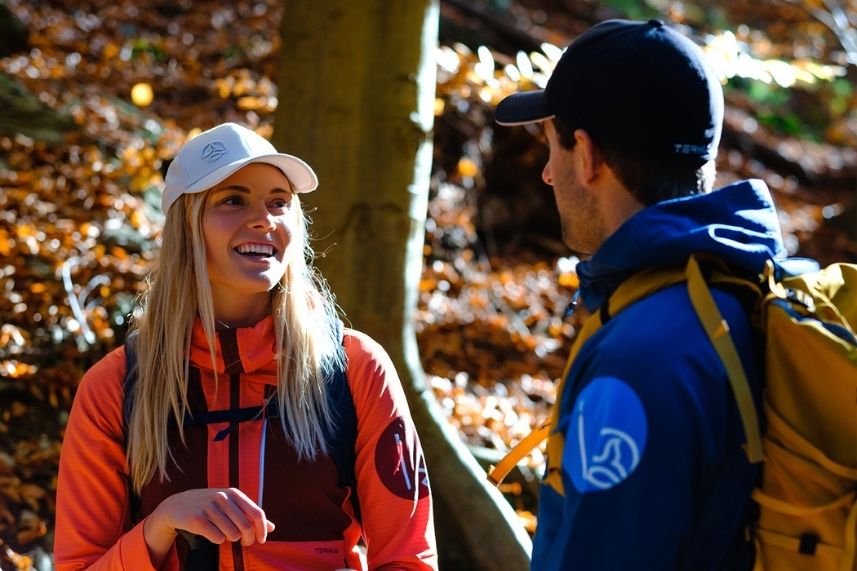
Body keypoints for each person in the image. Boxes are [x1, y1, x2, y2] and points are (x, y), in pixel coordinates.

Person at [54, 122, 438, 570]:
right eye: (233, 200)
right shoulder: (115, 387)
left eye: (279, 202)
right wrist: (159, 527)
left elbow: (409, 560)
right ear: (186, 226)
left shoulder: (355, 369)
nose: (264, 219)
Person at [494, 19, 787, 570]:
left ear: (586, 155)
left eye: (552, 146)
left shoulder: (639, 359)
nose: (546, 174)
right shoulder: (747, 290)